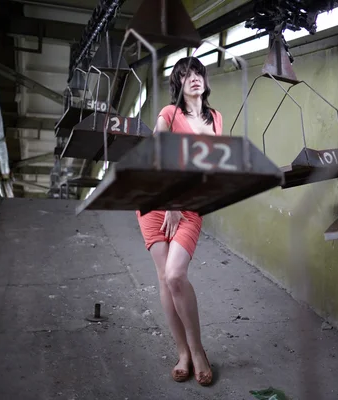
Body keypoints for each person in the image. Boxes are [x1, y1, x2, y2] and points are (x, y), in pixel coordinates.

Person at [136, 57, 222, 386]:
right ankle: (183, 352)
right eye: (186, 75)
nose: (194, 78)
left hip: (189, 206)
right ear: (179, 85)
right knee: (164, 278)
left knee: (175, 275)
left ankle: (197, 350)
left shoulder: (215, 118)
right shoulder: (169, 115)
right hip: (156, 202)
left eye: (198, 72)